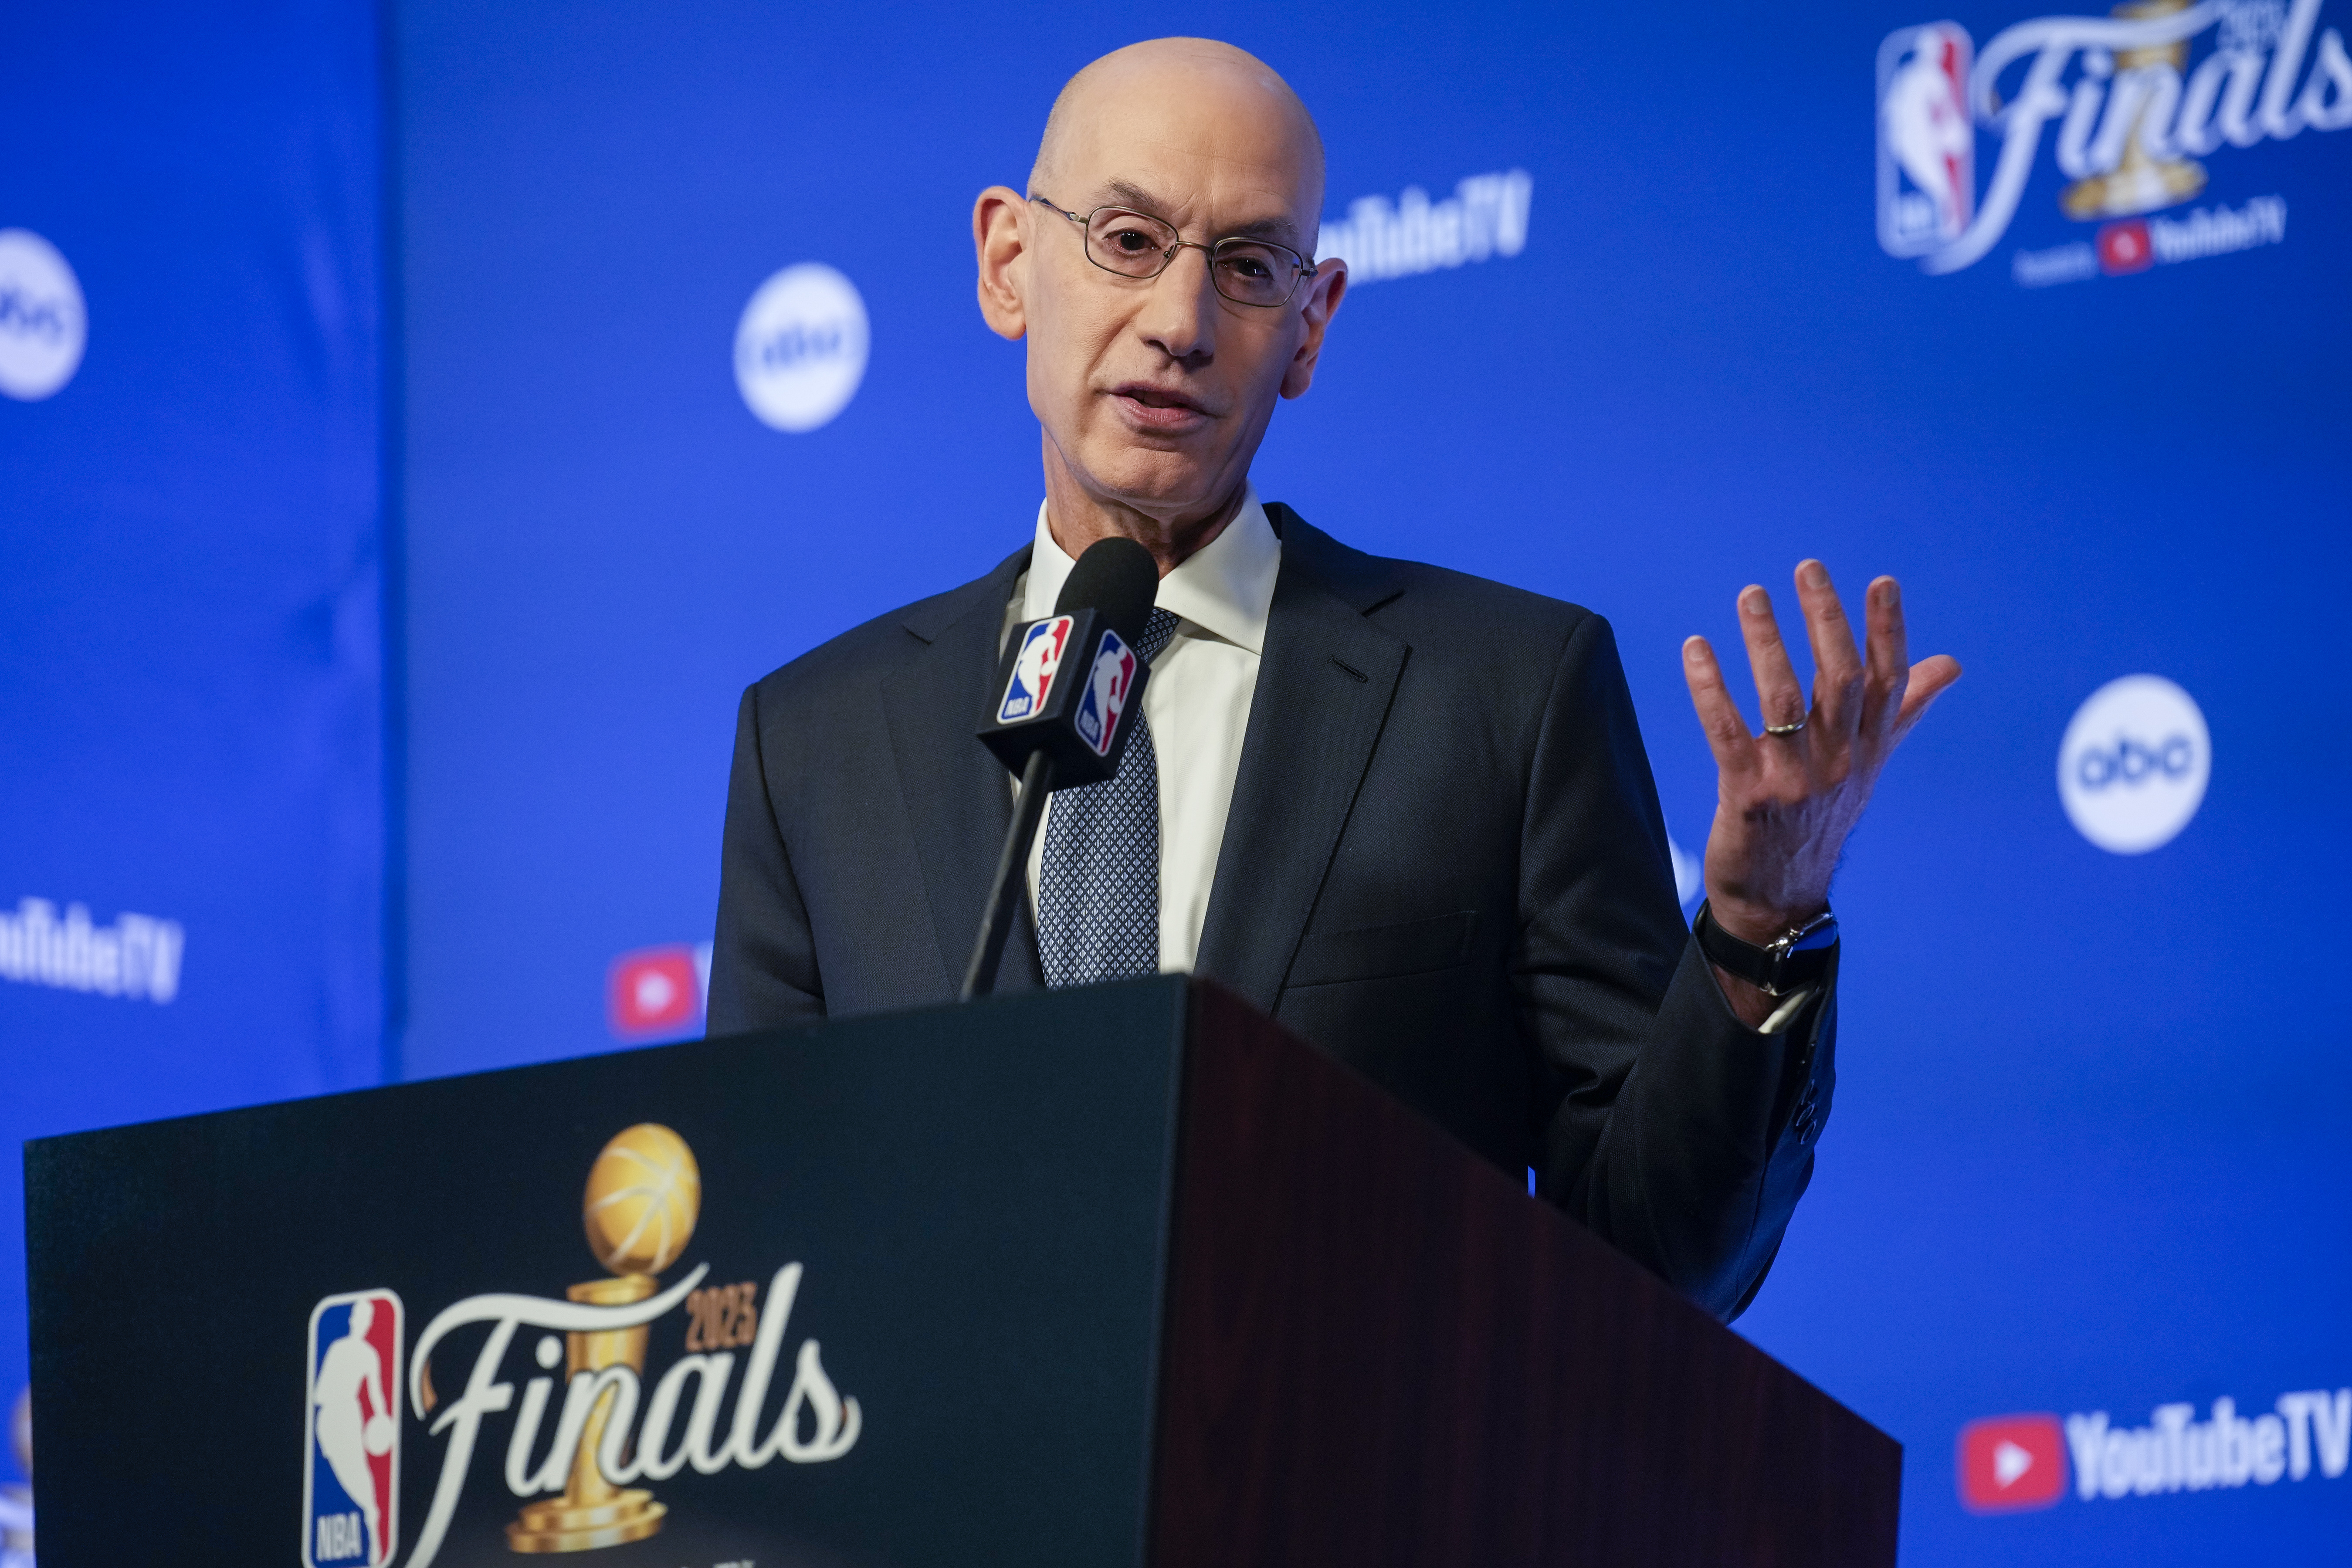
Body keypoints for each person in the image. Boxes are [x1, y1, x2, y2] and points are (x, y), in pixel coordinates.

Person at [708, 38, 1959, 1318]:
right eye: (1128, 240)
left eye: (1246, 268)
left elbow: (1650, 1256)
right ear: (1006, 261)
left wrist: (1756, 924)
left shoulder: (1501, 696)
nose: (1180, 324)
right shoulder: (816, 740)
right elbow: (753, 1252)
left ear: (1308, 328)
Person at [312, 1298, 391, 1562]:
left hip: (348, 1415)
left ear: (369, 1323)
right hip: (327, 1418)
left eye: (367, 1318)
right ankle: (370, 1516)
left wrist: (382, 1419)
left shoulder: (370, 1354)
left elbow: (376, 1392)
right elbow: (318, 1392)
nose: (361, 1322)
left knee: (358, 1474)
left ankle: (374, 1529)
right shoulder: (337, 1347)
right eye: (358, 1317)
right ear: (352, 1319)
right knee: (339, 1474)